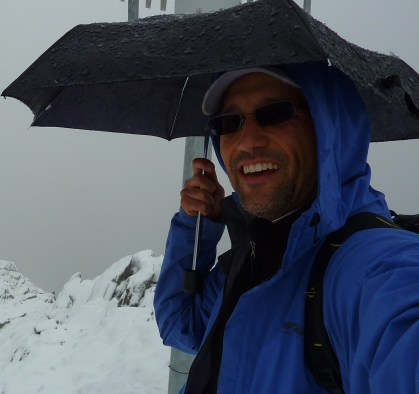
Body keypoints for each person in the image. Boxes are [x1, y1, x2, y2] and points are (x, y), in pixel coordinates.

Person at [153, 63, 419, 394]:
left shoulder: (373, 267)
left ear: (329, 128)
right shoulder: (255, 254)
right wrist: (196, 224)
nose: (247, 142)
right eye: (228, 123)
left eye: (275, 113)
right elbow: (181, 324)